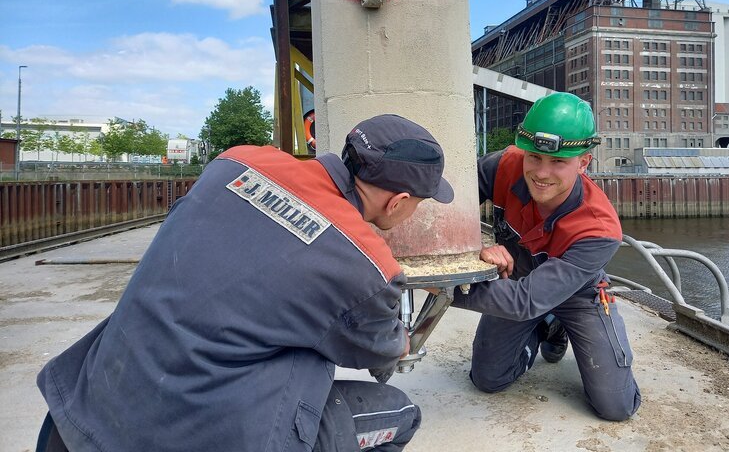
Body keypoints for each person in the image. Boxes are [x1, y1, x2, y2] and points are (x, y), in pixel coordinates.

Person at [36, 114, 454, 452]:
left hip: (77, 416)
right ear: (399, 202)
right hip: (199, 436)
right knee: (401, 413)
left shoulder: (235, 162)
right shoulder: (366, 264)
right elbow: (385, 351)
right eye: (418, 204)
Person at [451, 92, 641, 421]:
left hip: (576, 294)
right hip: (520, 279)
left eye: (558, 162)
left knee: (616, 407)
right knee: (487, 379)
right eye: (535, 157)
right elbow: (450, 209)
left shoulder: (599, 229)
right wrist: (473, 248)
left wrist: (441, 285)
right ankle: (543, 330)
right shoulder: (502, 167)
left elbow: (524, 301)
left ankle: (559, 325)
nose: (541, 172)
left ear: (584, 162)